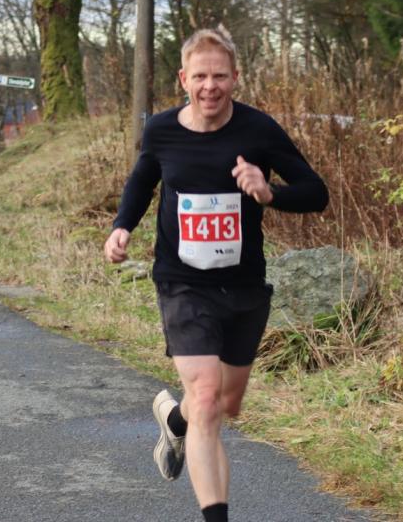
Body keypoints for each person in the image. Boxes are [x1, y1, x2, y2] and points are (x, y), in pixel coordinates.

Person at [104, 27, 328, 522]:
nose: (210, 86)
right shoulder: (162, 130)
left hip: (244, 284)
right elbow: (142, 179)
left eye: (220, 76)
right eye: (200, 76)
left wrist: (269, 192)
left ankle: (174, 418)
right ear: (183, 78)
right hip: (182, 281)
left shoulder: (259, 130)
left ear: (236, 77)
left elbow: (317, 193)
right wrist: (122, 227)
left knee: (225, 402)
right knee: (206, 397)